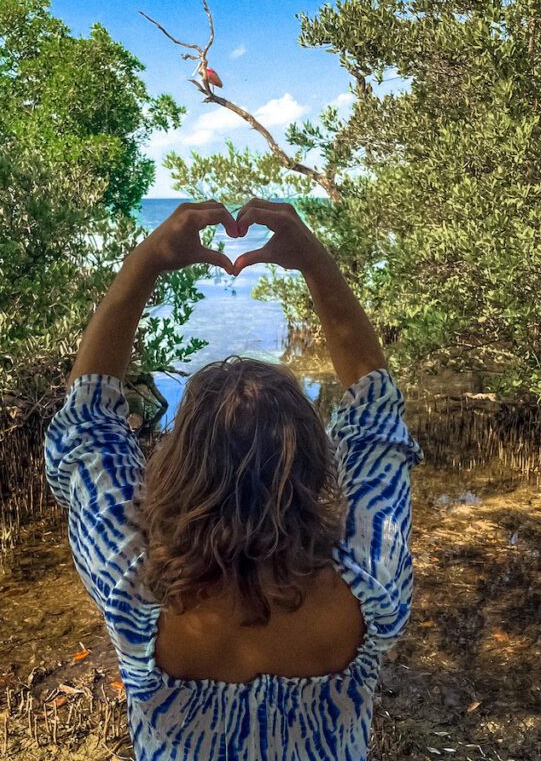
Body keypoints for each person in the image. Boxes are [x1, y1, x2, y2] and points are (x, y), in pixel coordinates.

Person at [44, 199, 422, 760]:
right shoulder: (370, 585)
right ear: (313, 465)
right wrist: (316, 263)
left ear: (179, 467)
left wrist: (147, 260)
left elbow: (88, 427)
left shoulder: (137, 593)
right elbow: (376, 422)